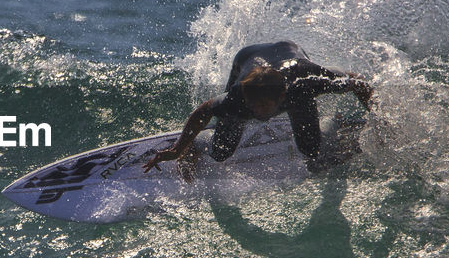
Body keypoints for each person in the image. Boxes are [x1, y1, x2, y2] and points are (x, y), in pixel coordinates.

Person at [143, 40, 373, 175]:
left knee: (314, 155)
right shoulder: (239, 97)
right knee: (221, 151)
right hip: (246, 58)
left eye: (263, 107)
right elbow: (204, 110)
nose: (258, 113)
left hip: (289, 53)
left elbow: (357, 82)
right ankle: (197, 144)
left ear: (281, 96)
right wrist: (177, 149)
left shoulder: (307, 82)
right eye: (253, 106)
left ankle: (335, 124)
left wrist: (377, 114)